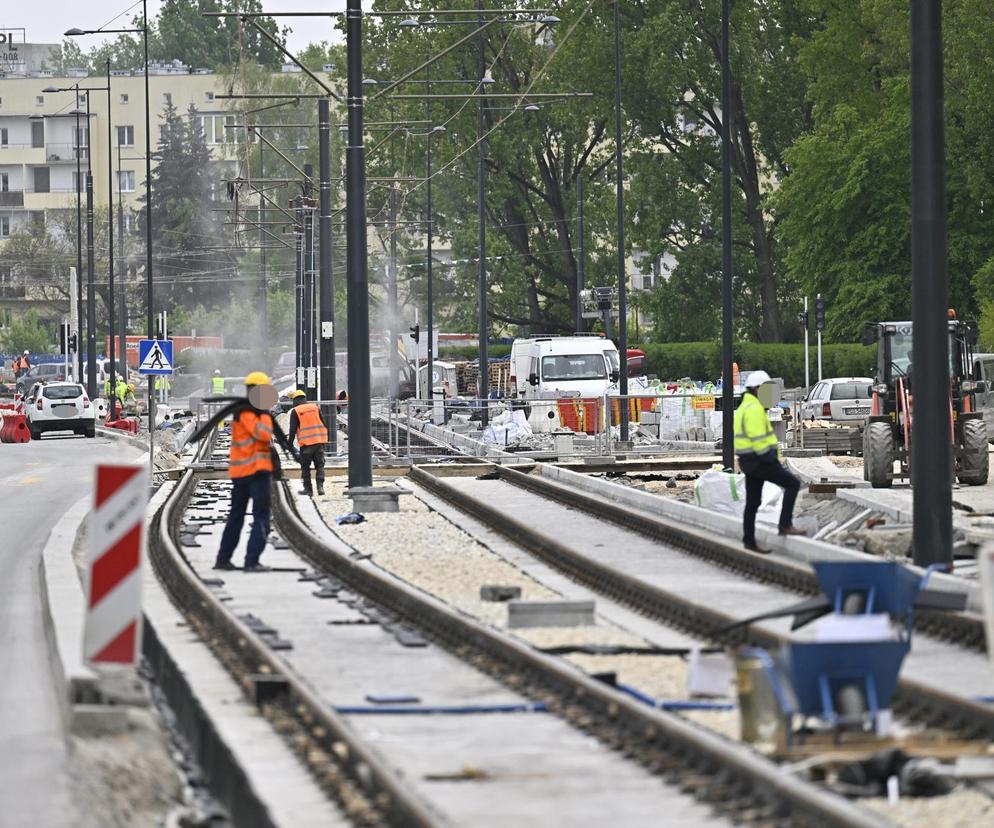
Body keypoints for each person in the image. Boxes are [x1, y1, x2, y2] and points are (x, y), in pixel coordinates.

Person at [214, 371, 283, 572]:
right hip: (256, 472)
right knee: (261, 516)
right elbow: (262, 434)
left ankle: (223, 559)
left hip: (241, 473)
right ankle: (251, 561)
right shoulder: (253, 412)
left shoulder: (242, 410)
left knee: (236, 516)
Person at [734, 370, 804, 553]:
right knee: (792, 484)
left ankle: (749, 541)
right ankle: (785, 524)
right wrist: (771, 459)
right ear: (756, 389)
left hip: (748, 461)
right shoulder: (754, 409)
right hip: (761, 460)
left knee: (753, 502)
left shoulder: (743, 407)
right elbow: (758, 439)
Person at [287, 389, 328, 496]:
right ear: (304, 399)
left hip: (306, 444)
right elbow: (324, 423)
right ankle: (320, 487)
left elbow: (292, 430)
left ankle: (308, 490)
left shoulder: (296, 411)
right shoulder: (315, 407)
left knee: (305, 467)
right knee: (320, 465)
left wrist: (289, 444)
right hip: (319, 442)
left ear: (295, 400)